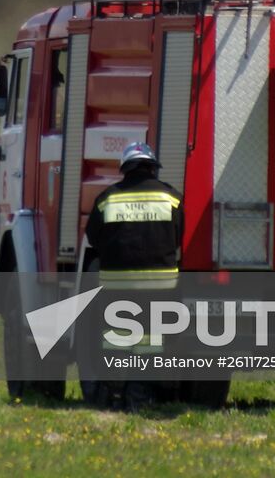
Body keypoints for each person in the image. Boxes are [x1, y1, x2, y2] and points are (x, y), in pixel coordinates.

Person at [81, 142, 183, 410]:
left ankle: (115, 393)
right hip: (160, 287)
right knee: (150, 341)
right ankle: (139, 394)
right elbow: (179, 235)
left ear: (125, 169)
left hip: (117, 286)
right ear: (152, 168)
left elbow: (93, 238)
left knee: (117, 338)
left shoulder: (107, 199)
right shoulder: (171, 198)